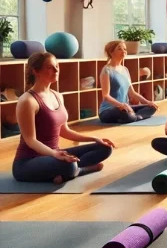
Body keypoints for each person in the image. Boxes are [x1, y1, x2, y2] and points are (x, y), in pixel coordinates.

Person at [13, 53, 115, 184]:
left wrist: (94, 139)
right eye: (50, 67)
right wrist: (54, 154)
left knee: (104, 148)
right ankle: (79, 170)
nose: (56, 70)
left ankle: (65, 173)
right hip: (28, 162)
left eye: (57, 66)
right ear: (35, 71)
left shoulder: (57, 96)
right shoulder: (28, 101)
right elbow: (30, 140)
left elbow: (64, 130)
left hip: (56, 155)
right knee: (69, 165)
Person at [98, 40, 158, 123]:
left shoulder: (125, 70)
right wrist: (120, 105)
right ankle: (133, 117)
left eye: (125, 49)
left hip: (126, 107)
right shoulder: (106, 70)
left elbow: (132, 93)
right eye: (119, 49)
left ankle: (134, 117)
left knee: (151, 107)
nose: (124, 51)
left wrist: (148, 102)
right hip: (108, 110)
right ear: (111, 52)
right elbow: (106, 96)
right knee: (126, 113)